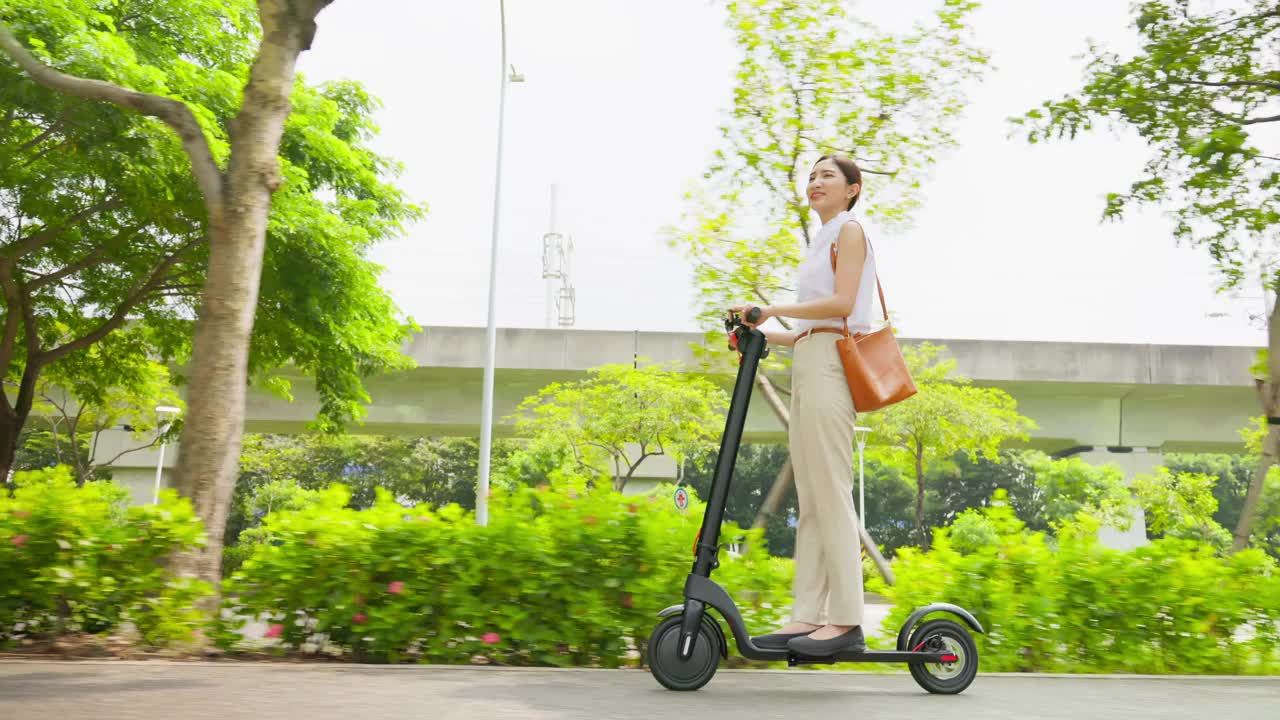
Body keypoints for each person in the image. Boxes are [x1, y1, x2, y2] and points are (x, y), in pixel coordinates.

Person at [732, 154, 876, 656]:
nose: (815, 182)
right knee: (811, 498)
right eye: (812, 176)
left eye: (827, 176)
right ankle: (806, 616)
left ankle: (845, 621)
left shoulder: (850, 231)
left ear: (852, 189)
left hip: (833, 365)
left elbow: (841, 306)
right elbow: (812, 329)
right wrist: (766, 333)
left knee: (831, 492)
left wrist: (773, 308)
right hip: (813, 359)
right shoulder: (822, 237)